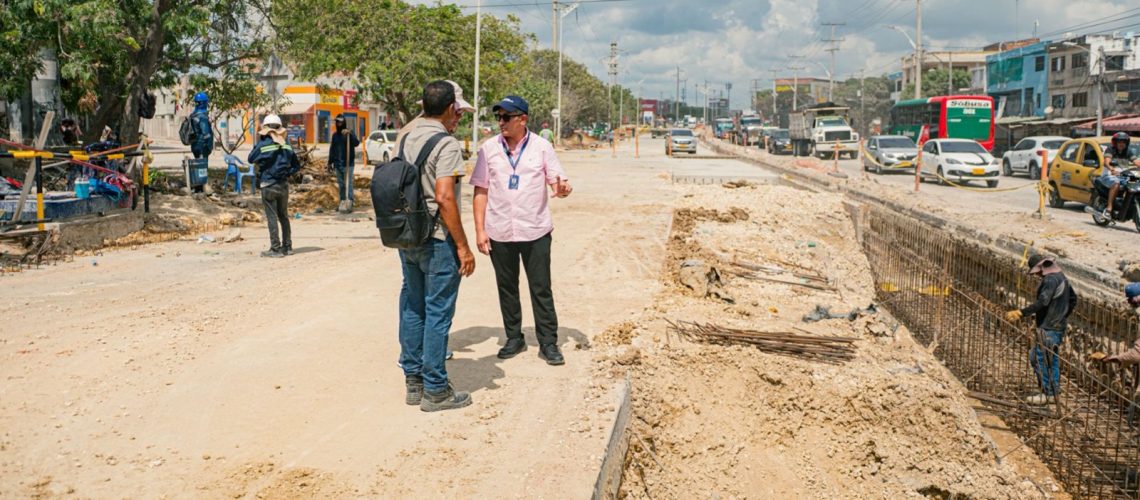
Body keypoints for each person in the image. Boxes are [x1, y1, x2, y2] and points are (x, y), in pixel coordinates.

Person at [471, 95, 572, 366]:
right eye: (498, 117)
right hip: (500, 230)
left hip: (535, 230)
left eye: (506, 117)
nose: (501, 122)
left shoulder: (542, 147)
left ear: (522, 119)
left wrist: (561, 190)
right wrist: (480, 230)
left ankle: (548, 342)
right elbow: (480, 190)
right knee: (507, 287)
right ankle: (513, 337)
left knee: (541, 287)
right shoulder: (489, 149)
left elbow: (557, 182)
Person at [398, 80, 476, 412]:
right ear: (448, 109)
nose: (458, 116)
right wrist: (463, 246)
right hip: (438, 240)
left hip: (408, 236)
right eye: (458, 110)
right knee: (438, 312)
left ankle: (413, 382)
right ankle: (435, 389)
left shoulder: (404, 137)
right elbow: (445, 197)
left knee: (413, 306)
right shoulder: (446, 144)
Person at [1005, 254, 1078, 404]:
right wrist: (1062, 315)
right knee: (1051, 359)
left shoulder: (1050, 280)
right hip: (1057, 326)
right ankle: (1053, 392)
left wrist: (1021, 312)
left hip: (1050, 327)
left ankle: (1047, 393)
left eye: (1037, 272)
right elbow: (1073, 299)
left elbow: (1043, 302)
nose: (1037, 275)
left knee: (1040, 358)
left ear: (1042, 268)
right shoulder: (1061, 276)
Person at [248, 114, 301, 258]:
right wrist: (286, 173)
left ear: (265, 128)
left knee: (272, 217)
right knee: (283, 216)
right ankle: (288, 247)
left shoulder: (263, 144)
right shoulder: (286, 145)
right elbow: (296, 165)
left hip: (268, 184)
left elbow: (250, 158)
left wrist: (260, 142)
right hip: (283, 185)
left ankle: (275, 249)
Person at [1099, 132, 1140, 218]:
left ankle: (1128, 205)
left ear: (1126, 143)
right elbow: (1106, 162)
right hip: (1109, 175)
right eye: (1119, 142)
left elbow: (1136, 162)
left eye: (1124, 142)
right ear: (1115, 142)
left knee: (1137, 184)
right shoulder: (1110, 150)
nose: (1122, 144)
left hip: (1124, 176)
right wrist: (1112, 169)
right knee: (1116, 183)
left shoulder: (1128, 151)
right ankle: (1109, 208)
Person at [328, 114, 360, 209]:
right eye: (337, 122)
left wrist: (350, 133)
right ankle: (342, 201)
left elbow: (356, 143)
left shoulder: (349, 133)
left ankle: (350, 201)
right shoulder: (335, 136)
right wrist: (330, 162)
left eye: (340, 122)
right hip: (338, 164)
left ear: (344, 122)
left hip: (348, 163)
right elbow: (332, 149)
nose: (338, 123)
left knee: (348, 183)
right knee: (341, 184)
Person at [190, 92, 214, 160]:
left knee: (198, 166)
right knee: (202, 168)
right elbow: (206, 134)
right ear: (204, 103)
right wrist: (209, 147)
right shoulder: (202, 117)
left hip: (194, 146)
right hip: (202, 147)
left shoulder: (193, 115)